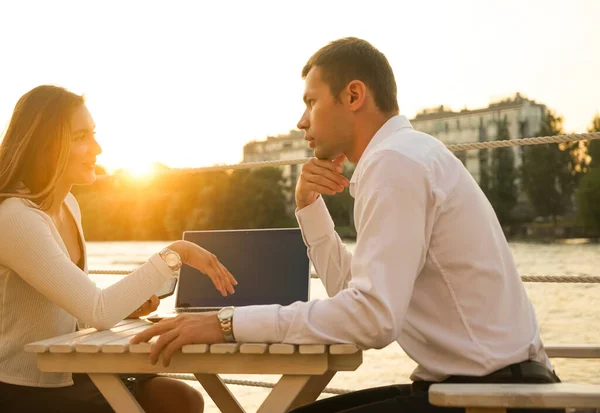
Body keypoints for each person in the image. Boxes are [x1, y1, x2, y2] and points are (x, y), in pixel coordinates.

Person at [132, 37, 563, 413]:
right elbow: (351, 295)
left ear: (354, 95)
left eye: (310, 102)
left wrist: (225, 323)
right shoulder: (403, 156)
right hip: (474, 388)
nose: (302, 122)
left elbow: (372, 319)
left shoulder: (396, 163)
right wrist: (308, 205)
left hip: (493, 400)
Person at [0, 85, 238, 413]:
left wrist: (126, 309)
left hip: (75, 368)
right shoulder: (14, 217)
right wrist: (176, 253)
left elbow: (74, 309)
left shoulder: (68, 205)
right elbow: (98, 310)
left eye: (93, 134)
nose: (96, 148)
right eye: (81, 136)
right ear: (45, 144)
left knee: (184, 400)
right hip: (29, 387)